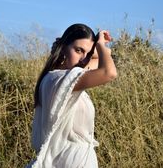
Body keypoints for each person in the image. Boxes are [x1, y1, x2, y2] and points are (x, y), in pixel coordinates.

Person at [26, 23, 117, 168]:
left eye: (88, 54)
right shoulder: (57, 80)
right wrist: (100, 45)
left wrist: (95, 49)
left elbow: (99, 61)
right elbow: (109, 72)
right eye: (78, 50)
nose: (83, 59)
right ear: (63, 48)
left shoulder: (67, 78)